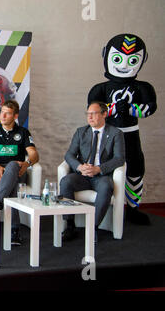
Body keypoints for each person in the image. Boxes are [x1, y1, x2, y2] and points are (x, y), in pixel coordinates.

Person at [87, 34, 157, 225]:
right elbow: (92, 110)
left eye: (132, 60)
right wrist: (114, 108)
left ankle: (133, 208)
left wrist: (132, 108)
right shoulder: (99, 88)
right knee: (103, 168)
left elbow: (150, 107)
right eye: (118, 58)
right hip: (106, 135)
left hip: (131, 134)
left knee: (135, 169)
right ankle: (105, 205)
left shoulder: (143, 87)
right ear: (106, 55)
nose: (124, 64)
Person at [60, 101, 125, 242]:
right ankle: (70, 225)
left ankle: (93, 227)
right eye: (88, 114)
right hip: (82, 175)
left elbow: (119, 159)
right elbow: (69, 155)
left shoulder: (115, 133)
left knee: (106, 186)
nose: (90, 117)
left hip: (101, 176)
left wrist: (99, 169)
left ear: (104, 114)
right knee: (66, 182)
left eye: (94, 114)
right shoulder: (81, 132)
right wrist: (79, 167)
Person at [0, 100, 38, 245]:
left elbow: (34, 155)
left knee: (12, 165)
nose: (3, 116)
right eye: (2, 112)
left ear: (15, 116)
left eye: (8, 113)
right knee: (11, 185)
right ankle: (14, 231)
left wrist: (27, 163)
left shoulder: (23, 132)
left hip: (18, 170)